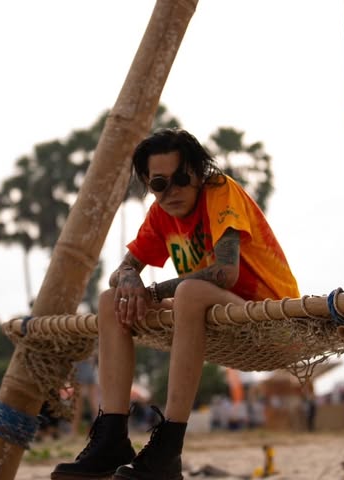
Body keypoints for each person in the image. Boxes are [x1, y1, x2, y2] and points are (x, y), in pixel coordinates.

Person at [51, 128, 299, 480]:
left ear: (198, 174)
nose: (171, 191)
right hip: (215, 314)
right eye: (159, 184)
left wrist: (151, 292)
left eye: (181, 179)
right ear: (148, 184)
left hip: (273, 320)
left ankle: (169, 446)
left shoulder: (219, 191)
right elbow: (121, 272)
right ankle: (112, 437)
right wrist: (129, 278)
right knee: (109, 301)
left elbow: (225, 272)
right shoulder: (160, 214)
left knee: (189, 292)